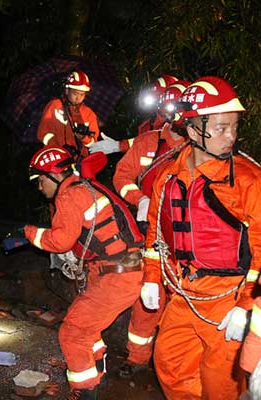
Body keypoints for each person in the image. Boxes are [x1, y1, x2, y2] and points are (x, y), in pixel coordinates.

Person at [139, 76, 261, 399]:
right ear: (194, 131)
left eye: (234, 127)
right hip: (183, 295)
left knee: (219, 382)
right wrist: (151, 278)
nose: (231, 136)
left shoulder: (248, 181)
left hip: (228, 298)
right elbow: (155, 236)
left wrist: (247, 305)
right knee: (169, 363)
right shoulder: (167, 178)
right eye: (221, 128)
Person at [23, 145, 144, 399]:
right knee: (88, 329)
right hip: (125, 270)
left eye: (40, 180)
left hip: (116, 276)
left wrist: (28, 233)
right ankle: (96, 376)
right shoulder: (88, 186)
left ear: (53, 175)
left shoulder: (69, 196)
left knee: (72, 332)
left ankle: (85, 391)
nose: (39, 187)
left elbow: (60, 241)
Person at [111, 80, 190, 378]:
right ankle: (138, 357)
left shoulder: (198, 149)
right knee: (148, 295)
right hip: (147, 232)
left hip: (184, 236)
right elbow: (121, 176)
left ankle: (174, 364)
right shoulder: (148, 142)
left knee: (182, 299)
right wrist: (139, 198)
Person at [89, 74, 179, 155]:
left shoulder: (176, 126)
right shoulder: (148, 121)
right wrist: (118, 145)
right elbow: (139, 141)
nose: (157, 104)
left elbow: (152, 142)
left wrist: (118, 146)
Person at [36, 70, 100, 159]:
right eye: (75, 93)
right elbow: (42, 134)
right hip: (55, 159)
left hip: (78, 162)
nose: (78, 98)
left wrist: (83, 138)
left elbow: (93, 143)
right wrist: (59, 149)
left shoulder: (89, 114)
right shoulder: (55, 106)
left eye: (82, 94)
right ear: (67, 91)